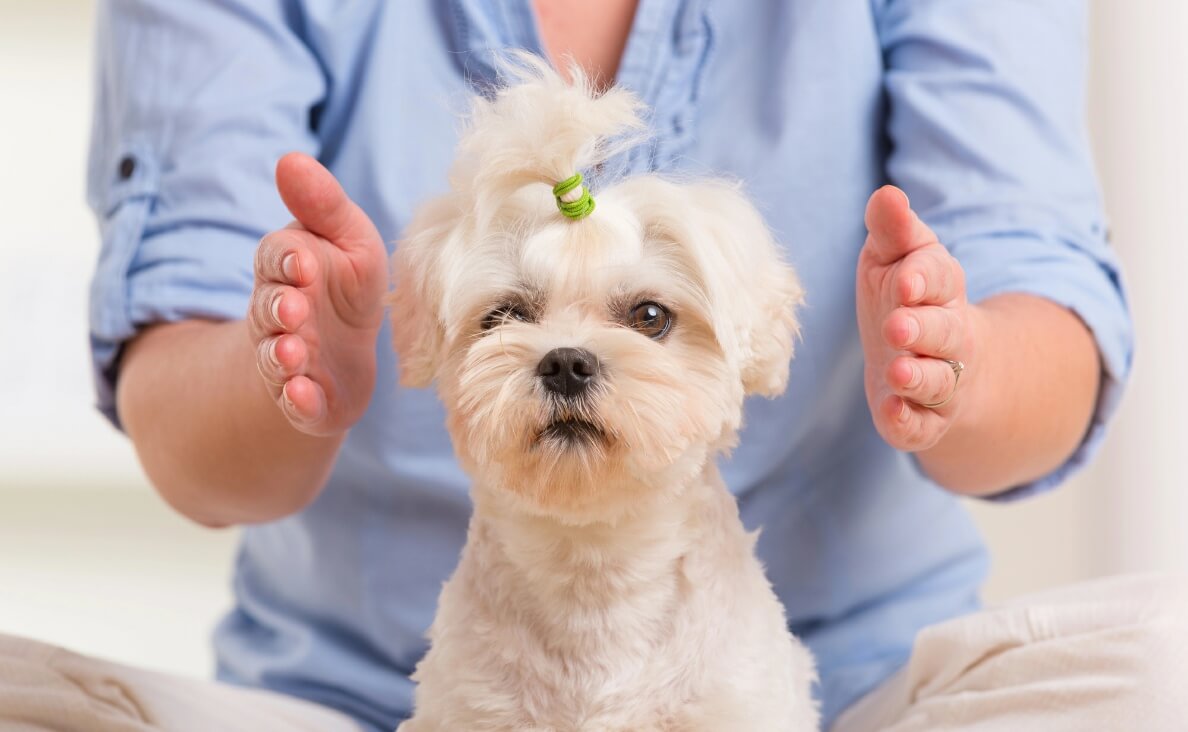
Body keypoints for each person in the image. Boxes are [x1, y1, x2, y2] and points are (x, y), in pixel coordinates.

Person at [2, 1, 1183, 730]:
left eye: (647, 319)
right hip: (340, 692)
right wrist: (298, 375)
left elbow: (1045, 291)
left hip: (864, 685)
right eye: (511, 315)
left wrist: (956, 366)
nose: (566, 358)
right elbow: (191, 431)